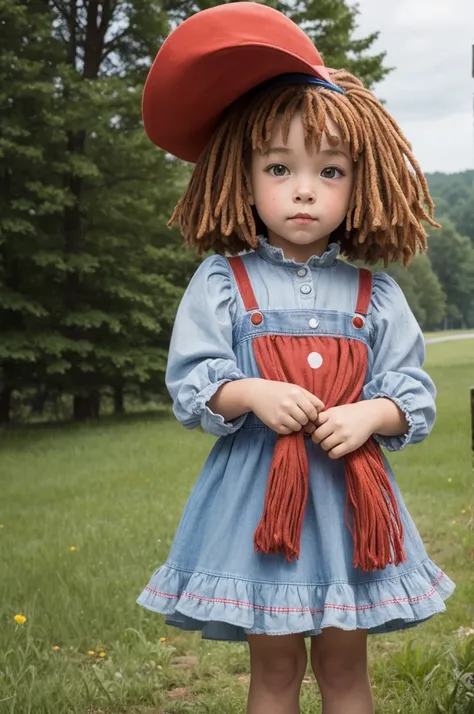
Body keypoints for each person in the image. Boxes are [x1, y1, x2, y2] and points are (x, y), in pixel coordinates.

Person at [137, 4, 455, 713]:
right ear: (240, 174)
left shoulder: (374, 293)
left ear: (360, 183)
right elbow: (194, 383)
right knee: (274, 673)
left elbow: (412, 390)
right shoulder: (224, 279)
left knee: (346, 671)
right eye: (280, 167)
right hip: (258, 508)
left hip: (350, 506)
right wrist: (249, 393)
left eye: (330, 170)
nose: (305, 189)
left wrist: (375, 411)